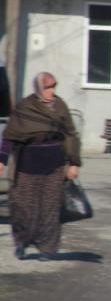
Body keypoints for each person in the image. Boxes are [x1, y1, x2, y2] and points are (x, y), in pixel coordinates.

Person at [0, 72, 81, 261]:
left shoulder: (60, 106)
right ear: (38, 88)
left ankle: (47, 248)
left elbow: (70, 135)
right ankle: (21, 242)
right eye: (47, 87)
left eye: (53, 87)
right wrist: (2, 159)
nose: (51, 91)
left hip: (54, 165)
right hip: (27, 166)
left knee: (50, 208)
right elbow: (10, 136)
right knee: (22, 207)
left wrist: (73, 163)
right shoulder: (25, 107)